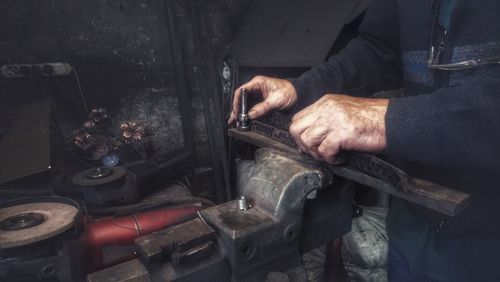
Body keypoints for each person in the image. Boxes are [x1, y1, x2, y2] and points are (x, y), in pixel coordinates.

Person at [228, 0, 500, 281]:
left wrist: (387, 121)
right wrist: (301, 88)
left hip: (488, 235)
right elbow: (380, 49)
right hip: (413, 218)